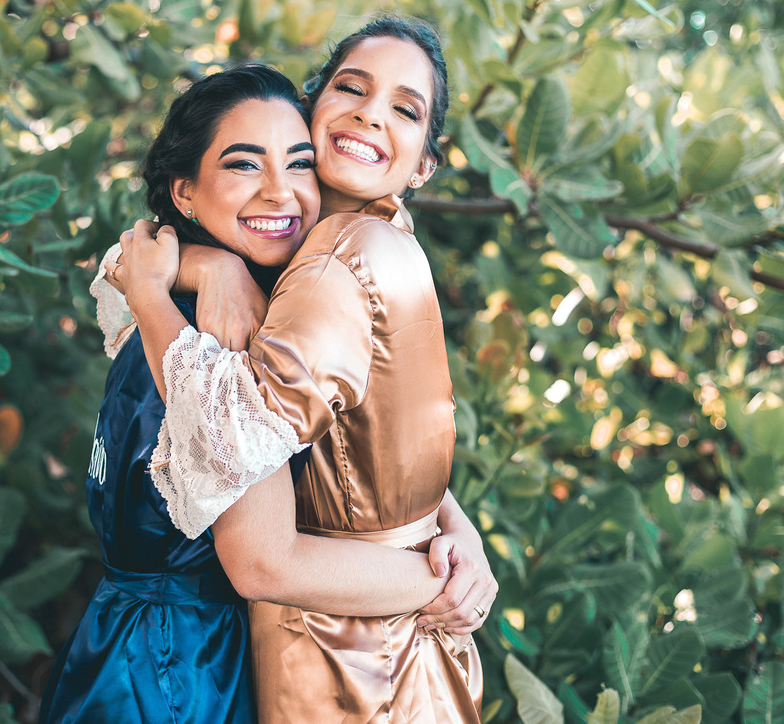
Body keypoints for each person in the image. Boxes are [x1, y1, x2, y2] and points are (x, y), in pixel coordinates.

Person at [39, 63, 484, 724]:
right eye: (245, 165)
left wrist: (456, 528)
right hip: (181, 676)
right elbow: (264, 563)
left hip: (135, 650)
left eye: (298, 163)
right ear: (185, 192)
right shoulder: (212, 346)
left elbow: (344, 437)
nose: (280, 191)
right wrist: (441, 581)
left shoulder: (222, 302)